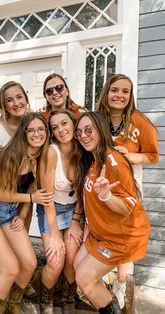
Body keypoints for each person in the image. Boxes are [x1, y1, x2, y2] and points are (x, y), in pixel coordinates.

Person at [0, 112, 53, 314]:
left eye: (41, 129)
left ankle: (13, 303)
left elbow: (31, 185)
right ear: (23, 133)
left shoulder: (41, 156)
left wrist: (23, 213)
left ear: (47, 132)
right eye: (30, 130)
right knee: (10, 268)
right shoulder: (11, 154)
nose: (36, 134)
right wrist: (31, 200)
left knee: (30, 263)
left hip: (9, 212)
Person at [73, 111, 151, 314]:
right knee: (77, 265)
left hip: (121, 238)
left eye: (88, 129)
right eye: (79, 132)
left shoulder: (113, 162)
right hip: (101, 234)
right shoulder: (91, 158)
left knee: (84, 278)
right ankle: (108, 299)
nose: (83, 135)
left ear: (100, 129)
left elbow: (127, 207)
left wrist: (107, 196)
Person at [96, 74, 159, 308]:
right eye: (115, 90)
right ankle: (102, 278)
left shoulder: (139, 121)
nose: (119, 95)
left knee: (123, 235)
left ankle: (121, 283)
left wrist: (130, 156)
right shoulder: (98, 119)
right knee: (101, 230)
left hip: (128, 188)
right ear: (106, 92)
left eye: (125, 91)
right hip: (100, 186)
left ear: (130, 95)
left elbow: (153, 156)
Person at [36, 109, 84, 314]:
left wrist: (75, 220)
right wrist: (55, 234)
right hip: (51, 209)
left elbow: (83, 191)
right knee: (56, 262)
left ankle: (68, 297)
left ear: (74, 124)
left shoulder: (83, 149)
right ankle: (45, 296)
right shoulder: (51, 152)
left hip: (74, 209)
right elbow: (46, 198)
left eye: (64, 124)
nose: (60, 130)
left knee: (72, 259)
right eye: (54, 127)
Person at [0, 81, 34, 230]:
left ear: (26, 98)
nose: (16, 103)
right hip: (5, 191)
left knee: (22, 231)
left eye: (19, 97)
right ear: (4, 106)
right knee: (8, 237)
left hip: (28, 187)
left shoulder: (34, 123)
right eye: (9, 100)